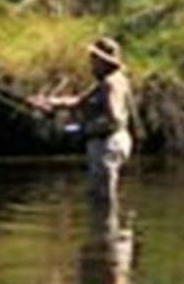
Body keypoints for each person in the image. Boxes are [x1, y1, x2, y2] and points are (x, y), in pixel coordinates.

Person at [36, 36, 135, 202]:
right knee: (99, 196)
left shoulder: (112, 83)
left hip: (108, 144)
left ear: (103, 61)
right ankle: (105, 226)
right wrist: (50, 102)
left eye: (94, 59)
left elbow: (115, 118)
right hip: (106, 143)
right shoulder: (106, 82)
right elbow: (80, 102)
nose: (91, 63)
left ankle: (108, 227)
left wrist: (85, 128)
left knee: (104, 198)